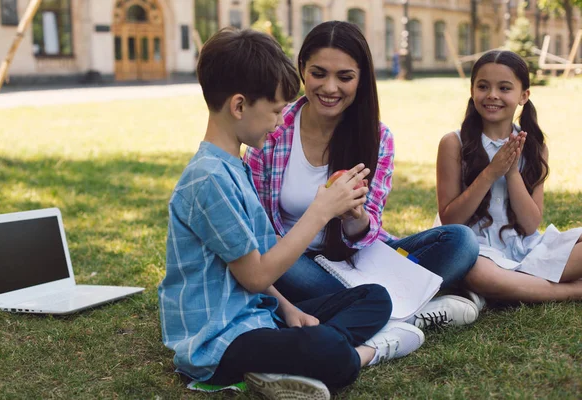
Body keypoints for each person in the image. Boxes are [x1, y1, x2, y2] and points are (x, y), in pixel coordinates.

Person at [158, 27, 424, 400]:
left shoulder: (233, 167)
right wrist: (321, 210)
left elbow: (254, 268)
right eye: (275, 110)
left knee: (375, 298)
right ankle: (368, 351)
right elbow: (255, 276)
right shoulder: (208, 179)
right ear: (238, 106)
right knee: (328, 351)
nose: (280, 120)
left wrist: (287, 308)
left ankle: (292, 358)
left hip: (257, 315)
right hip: (217, 342)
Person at [243, 20, 480, 329]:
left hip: (361, 260)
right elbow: (256, 230)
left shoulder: (377, 137)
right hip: (294, 263)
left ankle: (369, 307)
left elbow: (367, 234)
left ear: (361, 78)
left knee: (461, 241)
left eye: (345, 77)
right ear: (302, 69)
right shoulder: (274, 128)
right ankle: (402, 310)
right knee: (270, 251)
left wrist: (355, 218)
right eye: (319, 73)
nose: (330, 88)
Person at [436, 50, 582, 303]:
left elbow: (529, 225)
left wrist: (512, 171)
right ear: (472, 90)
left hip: (526, 247)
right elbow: (451, 220)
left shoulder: (535, 146)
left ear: (523, 95)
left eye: (504, 88)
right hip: (478, 251)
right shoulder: (453, 143)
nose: (492, 95)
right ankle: (570, 290)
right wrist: (492, 173)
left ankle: (519, 284)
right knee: (479, 274)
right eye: (483, 86)